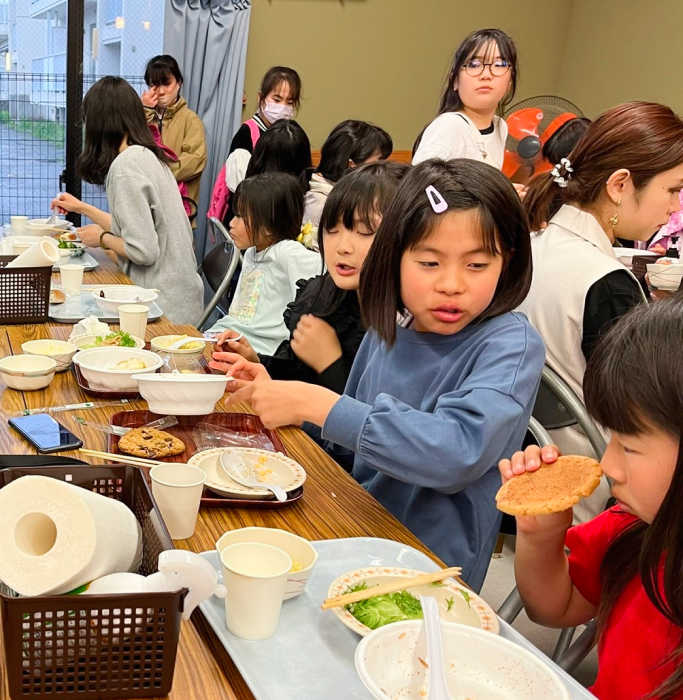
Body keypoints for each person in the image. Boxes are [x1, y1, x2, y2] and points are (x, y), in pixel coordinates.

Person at [221, 159, 545, 591]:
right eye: (430, 263)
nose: (452, 284)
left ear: (508, 262)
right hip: (354, 521)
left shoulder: (508, 346)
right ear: (395, 258)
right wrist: (285, 399)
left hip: (427, 566)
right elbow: (348, 443)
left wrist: (318, 403)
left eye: (477, 265)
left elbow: (456, 452)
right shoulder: (390, 326)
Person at [500, 297, 683, 700]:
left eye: (630, 446)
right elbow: (555, 608)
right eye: (611, 436)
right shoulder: (631, 528)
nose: (608, 464)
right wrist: (540, 534)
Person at [521, 101, 683, 521]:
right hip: (590, 475)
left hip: (522, 449)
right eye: (673, 190)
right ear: (620, 185)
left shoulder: (533, 242)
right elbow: (643, 406)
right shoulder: (605, 282)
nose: (673, 207)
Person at [211, 161, 409, 393]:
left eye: (364, 231)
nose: (342, 246)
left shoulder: (406, 320)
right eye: (332, 229)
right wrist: (257, 362)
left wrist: (330, 362)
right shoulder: (323, 295)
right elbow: (299, 374)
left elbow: (372, 416)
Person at [51, 77, 203, 326]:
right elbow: (136, 229)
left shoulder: (124, 168)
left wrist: (100, 239)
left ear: (99, 124)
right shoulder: (146, 154)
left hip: (164, 310)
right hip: (183, 300)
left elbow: (143, 251)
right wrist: (81, 207)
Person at [206, 172, 321, 356]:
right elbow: (238, 313)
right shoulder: (252, 251)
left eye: (241, 217)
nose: (231, 223)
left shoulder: (288, 252)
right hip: (233, 337)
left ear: (269, 226)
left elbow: (320, 271)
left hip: (263, 352)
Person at [412, 29, 517, 172]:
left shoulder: (500, 127)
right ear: (455, 81)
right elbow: (420, 189)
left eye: (499, 64)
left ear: (509, 82)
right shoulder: (449, 125)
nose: (486, 75)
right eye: (474, 65)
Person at [209, 66, 302, 226]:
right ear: (261, 98)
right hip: (246, 222)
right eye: (277, 99)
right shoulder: (246, 134)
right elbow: (240, 189)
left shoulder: (289, 135)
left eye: (290, 102)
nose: (283, 107)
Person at [141, 55, 206, 228]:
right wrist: (145, 112)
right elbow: (135, 147)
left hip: (180, 213)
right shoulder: (144, 117)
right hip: (147, 211)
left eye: (166, 83)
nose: (160, 91)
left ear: (179, 83)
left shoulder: (190, 119)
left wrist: (160, 173)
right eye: (154, 85)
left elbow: (195, 160)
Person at [303, 120, 393, 234]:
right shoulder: (322, 204)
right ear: (351, 164)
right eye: (379, 161)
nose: (383, 168)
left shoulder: (350, 193)